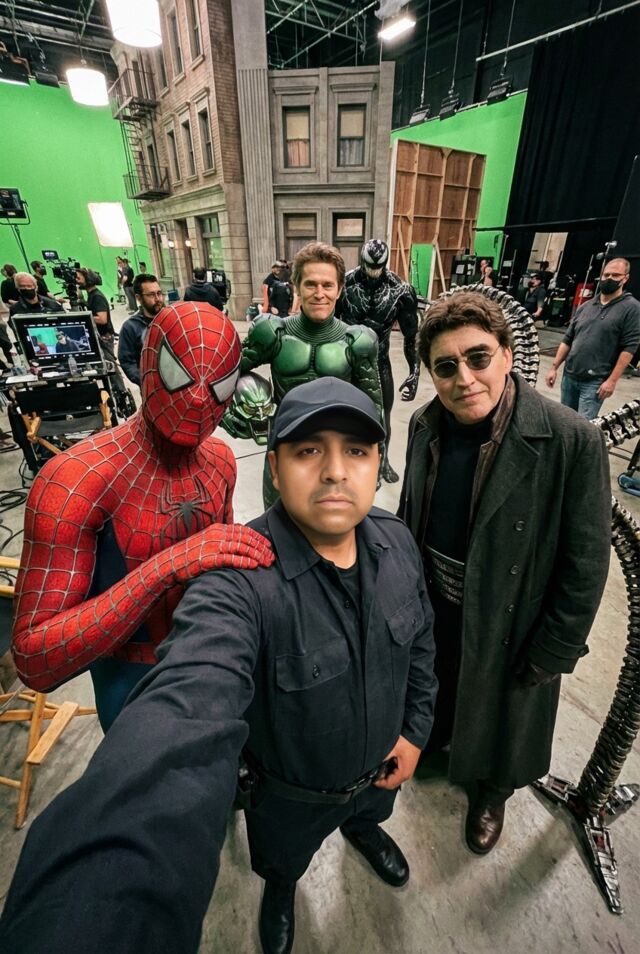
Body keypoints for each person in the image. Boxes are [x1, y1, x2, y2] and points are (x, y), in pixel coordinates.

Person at [0, 377, 436, 954]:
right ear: (274, 468)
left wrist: (413, 731)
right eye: (309, 450)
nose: (335, 471)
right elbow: (185, 711)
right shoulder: (238, 579)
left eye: (356, 450)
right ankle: (281, 887)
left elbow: (421, 644)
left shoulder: (396, 542)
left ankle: (364, 828)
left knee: (369, 812)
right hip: (291, 799)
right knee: (283, 858)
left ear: (378, 463)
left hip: (381, 768)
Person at [398, 290, 611, 855]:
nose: (464, 378)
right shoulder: (423, 425)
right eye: (446, 367)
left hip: (515, 619)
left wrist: (555, 647)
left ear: (507, 354)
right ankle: (438, 740)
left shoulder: (571, 439)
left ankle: (494, 790)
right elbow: (409, 513)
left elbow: (587, 562)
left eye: (478, 358)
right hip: (437, 603)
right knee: (443, 686)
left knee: (506, 721)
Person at [11, 301, 273, 731]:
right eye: (179, 375)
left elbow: (222, 570)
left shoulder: (221, 461)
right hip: (131, 681)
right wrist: (169, 566)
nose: (197, 399)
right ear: (149, 364)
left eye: (219, 385)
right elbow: (34, 658)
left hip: (217, 658)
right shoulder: (76, 479)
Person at [225, 242, 383, 507]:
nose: (319, 294)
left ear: (339, 289)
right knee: (277, 523)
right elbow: (223, 377)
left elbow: (374, 406)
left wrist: (377, 459)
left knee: (332, 527)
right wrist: (228, 416)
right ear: (296, 287)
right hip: (285, 448)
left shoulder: (357, 341)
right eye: (311, 284)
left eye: (327, 285)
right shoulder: (272, 333)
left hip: (335, 456)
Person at [339, 239, 420, 483]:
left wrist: (415, 370)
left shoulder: (401, 290)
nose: (373, 272)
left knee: (383, 416)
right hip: (347, 361)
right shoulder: (345, 284)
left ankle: (382, 462)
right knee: (344, 415)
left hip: (380, 362)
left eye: (378, 267)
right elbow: (328, 326)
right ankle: (346, 461)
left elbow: (411, 336)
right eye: (369, 266)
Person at [546, 257, 640, 420]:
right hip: (570, 376)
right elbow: (568, 339)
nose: (609, 278)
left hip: (595, 382)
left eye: (615, 275)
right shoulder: (586, 306)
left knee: (584, 426)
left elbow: (629, 348)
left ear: (625, 278)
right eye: (606, 275)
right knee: (566, 420)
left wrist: (612, 381)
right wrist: (554, 368)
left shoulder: (631, 308)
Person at [74, 267, 126, 393]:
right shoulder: (91, 295)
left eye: (79, 278)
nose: (77, 281)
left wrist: (84, 317)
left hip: (104, 338)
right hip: (100, 336)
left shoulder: (97, 297)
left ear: (88, 279)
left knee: (111, 367)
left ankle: (121, 392)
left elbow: (102, 319)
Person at [117, 273, 165, 386]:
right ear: (139, 298)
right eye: (151, 295)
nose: (157, 299)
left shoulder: (172, 319)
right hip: (152, 389)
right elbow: (127, 361)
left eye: (159, 293)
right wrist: (145, 381)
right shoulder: (130, 327)